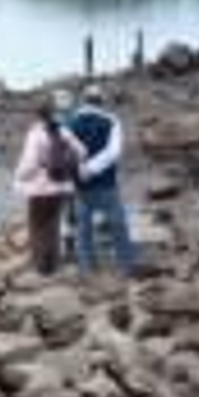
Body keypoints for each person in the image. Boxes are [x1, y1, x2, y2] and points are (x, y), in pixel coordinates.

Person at [68, 85, 138, 276]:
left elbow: (67, 151)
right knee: (118, 224)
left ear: (84, 99)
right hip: (106, 182)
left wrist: (80, 170)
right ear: (101, 100)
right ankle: (125, 265)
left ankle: (87, 268)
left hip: (80, 184)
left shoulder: (71, 121)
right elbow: (114, 152)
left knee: (83, 229)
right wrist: (92, 168)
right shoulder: (111, 121)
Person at [14, 96, 88, 276]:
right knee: (53, 226)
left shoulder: (35, 133)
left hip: (40, 188)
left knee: (37, 227)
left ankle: (41, 266)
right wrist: (68, 163)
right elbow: (83, 151)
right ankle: (53, 264)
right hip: (60, 186)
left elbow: (30, 164)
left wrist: (19, 176)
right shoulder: (63, 131)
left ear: (36, 114)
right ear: (53, 112)